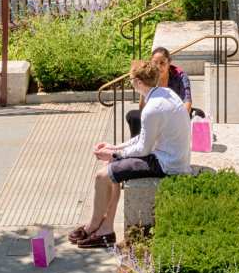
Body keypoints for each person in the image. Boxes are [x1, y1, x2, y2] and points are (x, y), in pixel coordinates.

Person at [70, 59, 191, 248]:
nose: (131, 83)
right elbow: (143, 138)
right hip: (170, 156)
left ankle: (95, 226)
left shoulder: (151, 109)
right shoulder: (164, 94)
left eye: (132, 79)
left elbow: (143, 148)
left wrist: (115, 156)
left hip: (167, 164)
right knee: (110, 170)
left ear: (139, 83)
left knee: (102, 176)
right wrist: (115, 148)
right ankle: (106, 229)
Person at [126, 45, 202, 134]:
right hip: (156, 113)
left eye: (162, 63)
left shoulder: (180, 76)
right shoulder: (148, 75)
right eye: (155, 63)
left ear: (169, 63)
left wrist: (173, 121)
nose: (158, 66)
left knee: (199, 114)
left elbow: (187, 102)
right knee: (133, 115)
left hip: (176, 114)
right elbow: (142, 108)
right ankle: (140, 143)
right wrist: (143, 81)